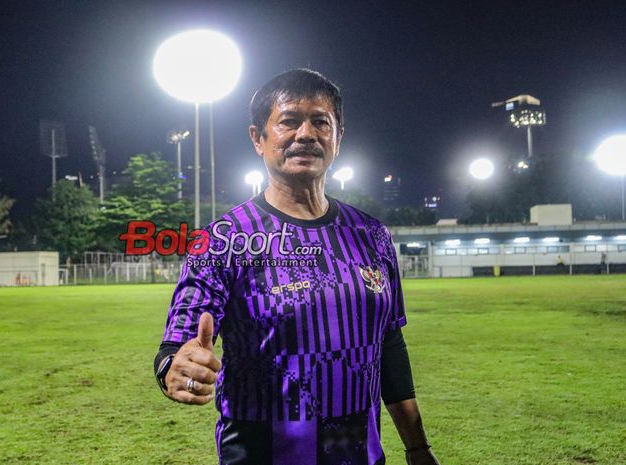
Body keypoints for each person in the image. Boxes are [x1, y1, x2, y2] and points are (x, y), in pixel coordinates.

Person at [154, 69, 441, 465]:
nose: (306, 133)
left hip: (360, 454)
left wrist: (417, 447)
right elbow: (177, 346)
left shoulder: (372, 235)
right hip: (262, 454)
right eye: (289, 121)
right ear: (258, 138)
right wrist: (174, 367)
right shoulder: (223, 239)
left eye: (321, 121)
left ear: (338, 138)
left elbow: (389, 346)